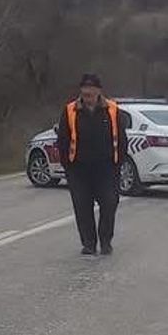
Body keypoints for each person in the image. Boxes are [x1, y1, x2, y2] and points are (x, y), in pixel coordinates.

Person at [57, 74, 129, 256]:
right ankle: (89, 243)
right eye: (85, 89)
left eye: (91, 89)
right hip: (79, 169)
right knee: (82, 207)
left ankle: (106, 241)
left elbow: (122, 139)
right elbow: (63, 140)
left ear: (99, 91)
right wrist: (68, 166)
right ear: (81, 90)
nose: (88, 92)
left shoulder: (112, 110)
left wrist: (118, 163)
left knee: (109, 203)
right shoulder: (70, 111)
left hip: (106, 168)